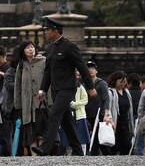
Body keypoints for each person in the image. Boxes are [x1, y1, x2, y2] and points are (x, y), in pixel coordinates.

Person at [32, 17, 97, 156]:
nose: (45, 33)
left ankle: (45, 147)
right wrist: (42, 89)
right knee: (67, 121)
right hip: (56, 89)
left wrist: (90, 87)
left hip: (68, 88)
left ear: (55, 31)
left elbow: (82, 67)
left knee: (55, 114)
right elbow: (48, 71)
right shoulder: (51, 48)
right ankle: (78, 151)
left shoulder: (69, 46)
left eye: (47, 30)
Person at [14, 40, 49, 156]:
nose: (30, 49)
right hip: (27, 106)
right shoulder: (21, 65)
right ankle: (34, 156)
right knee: (30, 134)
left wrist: (50, 101)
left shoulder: (44, 62)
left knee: (43, 130)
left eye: (32, 47)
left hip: (42, 104)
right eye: (27, 48)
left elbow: (50, 81)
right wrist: (18, 105)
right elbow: (17, 87)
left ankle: (43, 153)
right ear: (23, 51)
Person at [58, 72, 90, 156]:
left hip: (79, 116)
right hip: (68, 115)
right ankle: (69, 156)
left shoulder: (80, 87)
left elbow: (85, 99)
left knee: (82, 138)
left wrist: (73, 104)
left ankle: (82, 155)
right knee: (68, 139)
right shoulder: (63, 87)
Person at [85, 60, 112, 155]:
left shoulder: (102, 83)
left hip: (99, 114)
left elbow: (106, 99)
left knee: (96, 139)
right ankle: (108, 155)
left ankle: (94, 156)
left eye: (92, 69)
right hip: (88, 114)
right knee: (96, 139)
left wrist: (106, 114)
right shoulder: (84, 84)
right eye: (88, 69)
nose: (90, 71)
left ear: (96, 71)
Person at [107, 70, 134, 155]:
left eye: (124, 82)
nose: (122, 84)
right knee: (114, 145)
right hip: (115, 121)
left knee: (127, 144)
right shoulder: (111, 92)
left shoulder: (127, 92)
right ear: (115, 81)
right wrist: (110, 120)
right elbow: (108, 107)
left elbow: (130, 108)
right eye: (120, 82)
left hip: (125, 121)